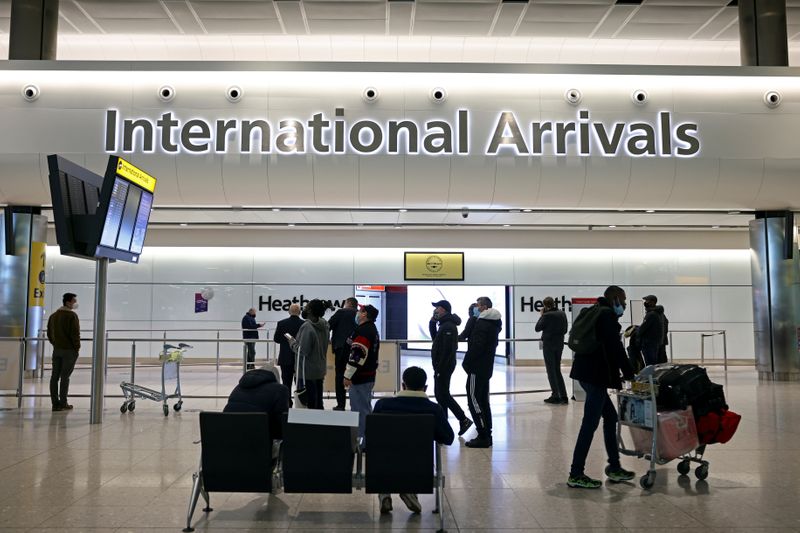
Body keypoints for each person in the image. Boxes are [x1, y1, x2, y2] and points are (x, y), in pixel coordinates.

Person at [567, 285, 636, 489]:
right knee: (589, 424)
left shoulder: (595, 311)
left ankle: (614, 467)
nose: (623, 305)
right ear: (614, 298)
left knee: (611, 417)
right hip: (595, 376)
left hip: (585, 373)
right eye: (622, 301)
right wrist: (630, 373)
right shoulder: (606, 317)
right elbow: (616, 349)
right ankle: (576, 473)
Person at [373, 366, 455, 515]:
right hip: (419, 467)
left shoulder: (382, 405)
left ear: (403, 386)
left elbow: (370, 436)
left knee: (386, 453)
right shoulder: (434, 410)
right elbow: (448, 438)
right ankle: (409, 489)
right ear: (425, 388)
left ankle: (384, 492)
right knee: (410, 457)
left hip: (384, 465)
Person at [462, 296, 502, 448]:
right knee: (484, 401)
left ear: (484, 307)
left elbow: (476, 347)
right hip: (486, 367)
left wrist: (467, 364)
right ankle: (487, 433)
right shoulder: (494, 324)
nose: (476, 308)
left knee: (474, 400)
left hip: (476, 368)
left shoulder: (482, 324)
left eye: (478, 305)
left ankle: (483, 434)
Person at [429, 299, 473, 436]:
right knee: (440, 395)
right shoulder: (443, 324)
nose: (435, 310)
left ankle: (463, 419)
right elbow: (435, 340)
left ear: (444, 309)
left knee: (443, 394)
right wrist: (432, 323)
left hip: (444, 366)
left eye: (437, 308)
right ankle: (445, 423)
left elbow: (447, 351)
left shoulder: (448, 326)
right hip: (441, 366)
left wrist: (439, 370)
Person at [343, 304, 380, 444]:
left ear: (364, 314)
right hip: (366, 376)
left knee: (360, 410)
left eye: (360, 311)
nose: (357, 313)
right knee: (362, 408)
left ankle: (361, 443)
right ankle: (362, 439)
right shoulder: (370, 329)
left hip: (360, 378)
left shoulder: (364, 331)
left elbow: (357, 356)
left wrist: (348, 375)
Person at [223, 365, 290, 439]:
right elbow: (281, 426)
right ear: (276, 378)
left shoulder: (238, 387)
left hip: (228, 438)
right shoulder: (280, 390)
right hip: (258, 442)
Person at [289, 299, 330, 410]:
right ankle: (319, 424)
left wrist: (292, 342)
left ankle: (311, 426)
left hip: (307, 371)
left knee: (309, 404)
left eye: (306, 307)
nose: (304, 309)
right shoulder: (325, 325)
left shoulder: (307, 327)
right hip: (320, 369)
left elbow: (303, 351)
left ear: (310, 311)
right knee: (318, 401)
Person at [46, 292, 81, 412]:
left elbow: (49, 333)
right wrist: (77, 348)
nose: (75, 303)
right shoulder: (72, 316)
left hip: (57, 350)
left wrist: (55, 344)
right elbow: (75, 334)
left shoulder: (53, 316)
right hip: (69, 351)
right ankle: (63, 402)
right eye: (74, 301)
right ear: (68, 302)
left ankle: (55, 404)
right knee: (65, 377)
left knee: (54, 377)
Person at [535, 296, 569, 405]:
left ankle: (555, 395)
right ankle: (563, 395)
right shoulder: (562, 313)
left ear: (545, 305)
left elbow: (537, 328)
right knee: (557, 370)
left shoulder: (546, 315)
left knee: (551, 370)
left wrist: (541, 316)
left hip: (549, 344)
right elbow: (565, 330)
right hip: (559, 344)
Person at [328, 297, 358, 411]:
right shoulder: (359, 314)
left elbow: (328, 325)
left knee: (340, 375)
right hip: (356, 350)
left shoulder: (341, 312)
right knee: (355, 375)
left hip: (341, 349)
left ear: (347, 303)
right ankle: (354, 405)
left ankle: (341, 405)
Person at [273, 303, 304, 390]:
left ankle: (287, 402)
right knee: (300, 383)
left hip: (285, 358)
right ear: (299, 312)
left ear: (289, 312)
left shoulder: (281, 323)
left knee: (286, 383)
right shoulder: (304, 324)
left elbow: (276, 339)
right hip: (299, 358)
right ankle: (300, 402)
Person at [638, 295, 663, 367]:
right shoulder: (657, 313)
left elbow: (643, 328)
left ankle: (650, 377)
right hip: (653, 342)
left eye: (647, 301)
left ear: (652, 302)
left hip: (648, 343)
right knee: (652, 362)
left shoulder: (651, 314)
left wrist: (636, 330)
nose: (645, 302)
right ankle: (651, 377)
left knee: (650, 364)